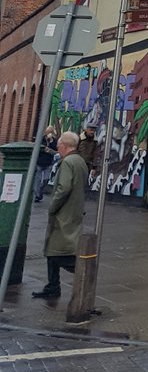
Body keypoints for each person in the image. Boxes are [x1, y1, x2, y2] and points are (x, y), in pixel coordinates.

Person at [32, 131, 87, 300]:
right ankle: (52, 286)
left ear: (65, 146)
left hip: (64, 213)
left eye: (59, 145)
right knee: (52, 250)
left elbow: (63, 188)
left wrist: (53, 207)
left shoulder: (68, 162)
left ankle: (83, 274)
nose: (57, 147)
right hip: (74, 211)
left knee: (58, 252)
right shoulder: (80, 162)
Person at [33, 127, 58, 203]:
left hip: (48, 163)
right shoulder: (41, 139)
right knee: (38, 180)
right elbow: (40, 148)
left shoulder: (54, 141)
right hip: (39, 162)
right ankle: (37, 195)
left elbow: (55, 150)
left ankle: (40, 191)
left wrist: (50, 143)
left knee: (46, 179)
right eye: (48, 132)